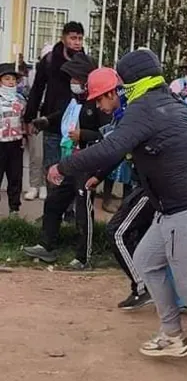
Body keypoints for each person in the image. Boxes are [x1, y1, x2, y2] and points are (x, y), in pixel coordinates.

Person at [47, 49, 187, 381]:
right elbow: (121, 146)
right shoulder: (168, 102)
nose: (103, 101)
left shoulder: (145, 109)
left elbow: (110, 148)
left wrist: (63, 166)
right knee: (146, 259)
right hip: (177, 209)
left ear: (127, 84)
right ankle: (173, 335)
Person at [84, 67, 187, 313]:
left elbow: (114, 149)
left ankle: (144, 288)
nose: (98, 106)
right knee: (150, 243)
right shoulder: (124, 115)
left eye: (99, 99)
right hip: (153, 185)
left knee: (117, 231)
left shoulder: (132, 113)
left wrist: (88, 171)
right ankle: (173, 297)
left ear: (112, 93)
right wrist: (98, 176)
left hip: (153, 185)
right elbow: (119, 151)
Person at [22, 53, 107, 269]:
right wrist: (46, 120)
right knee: (54, 201)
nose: (73, 83)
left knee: (82, 210)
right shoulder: (75, 100)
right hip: (69, 161)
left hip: (87, 164)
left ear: (86, 79)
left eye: (76, 79)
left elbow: (109, 136)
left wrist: (84, 136)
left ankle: (83, 257)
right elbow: (62, 114)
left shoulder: (99, 102)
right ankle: (46, 245)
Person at [24, 22, 84, 176]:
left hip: (75, 127)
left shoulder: (85, 62)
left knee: (72, 173)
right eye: (73, 38)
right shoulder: (49, 60)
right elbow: (37, 89)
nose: (77, 42)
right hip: (51, 124)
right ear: (63, 38)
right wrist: (29, 118)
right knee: (52, 171)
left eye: (80, 38)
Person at [23, 46, 54, 201]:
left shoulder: (60, 76)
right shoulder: (34, 74)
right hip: (37, 115)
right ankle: (34, 185)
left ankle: (44, 185)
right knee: (36, 154)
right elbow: (33, 96)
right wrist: (28, 119)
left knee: (48, 154)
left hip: (51, 117)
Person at [0, 63, 27, 215]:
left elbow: (25, 119)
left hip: (16, 143)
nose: (11, 82)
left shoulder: (20, 99)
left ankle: (14, 209)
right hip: (0, 143)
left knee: (15, 176)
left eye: (13, 79)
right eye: (7, 78)